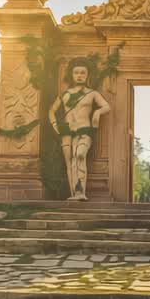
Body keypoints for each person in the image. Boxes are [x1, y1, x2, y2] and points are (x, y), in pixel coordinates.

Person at [47, 61, 111, 201]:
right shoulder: (65, 94)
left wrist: (97, 112)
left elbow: (107, 106)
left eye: (83, 73)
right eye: (76, 73)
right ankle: (75, 193)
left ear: (87, 75)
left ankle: (80, 192)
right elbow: (51, 110)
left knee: (80, 155)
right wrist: (54, 124)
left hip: (84, 129)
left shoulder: (92, 93)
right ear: (72, 75)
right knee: (70, 162)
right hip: (67, 131)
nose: (79, 75)